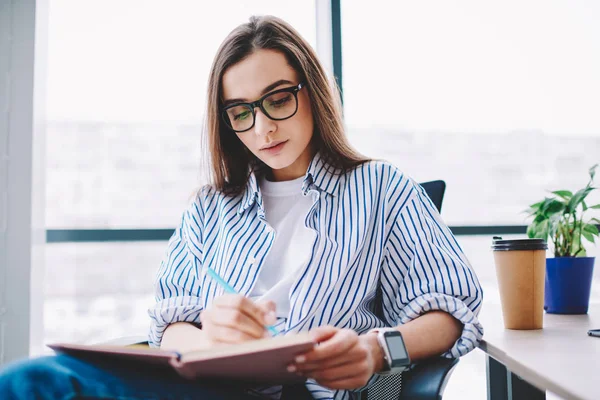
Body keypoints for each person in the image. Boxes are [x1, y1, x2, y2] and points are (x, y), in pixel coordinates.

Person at [0, 15, 483, 400]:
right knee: (30, 382)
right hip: (202, 388)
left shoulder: (382, 189)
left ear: (312, 92)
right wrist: (208, 337)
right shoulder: (211, 207)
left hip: (307, 394)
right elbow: (171, 326)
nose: (263, 129)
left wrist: (376, 350)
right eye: (242, 111)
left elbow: (450, 312)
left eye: (278, 100)